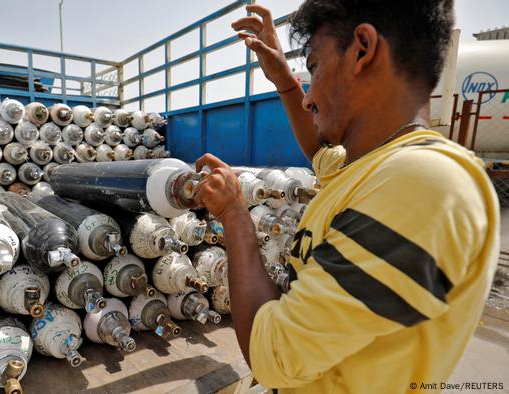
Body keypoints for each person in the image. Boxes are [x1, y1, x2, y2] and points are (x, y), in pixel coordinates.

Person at [193, 1, 500, 393]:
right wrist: (284, 80)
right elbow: (318, 149)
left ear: (362, 49)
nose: (308, 98)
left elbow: (275, 357)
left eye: (315, 66)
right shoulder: (367, 167)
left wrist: (235, 215)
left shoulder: (422, 182)